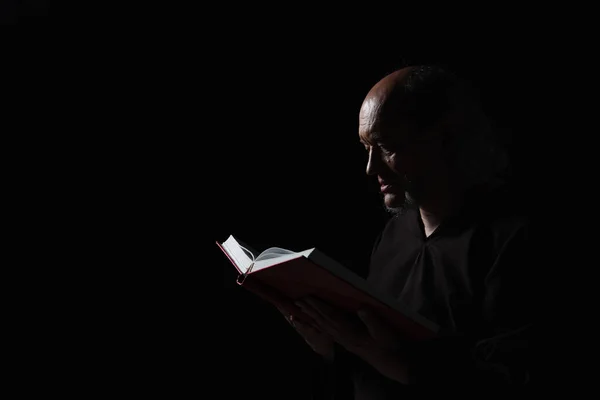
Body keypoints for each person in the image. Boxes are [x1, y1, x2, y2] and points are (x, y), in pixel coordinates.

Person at [275, 65, 534, 396]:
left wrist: (380, 355)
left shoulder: (512, 239)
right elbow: (374, 366)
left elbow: (510, 381)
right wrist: (332, 344)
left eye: (386, 146)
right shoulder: (394, 235)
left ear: (444, 137)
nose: (371, 168)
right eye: (366, 147)